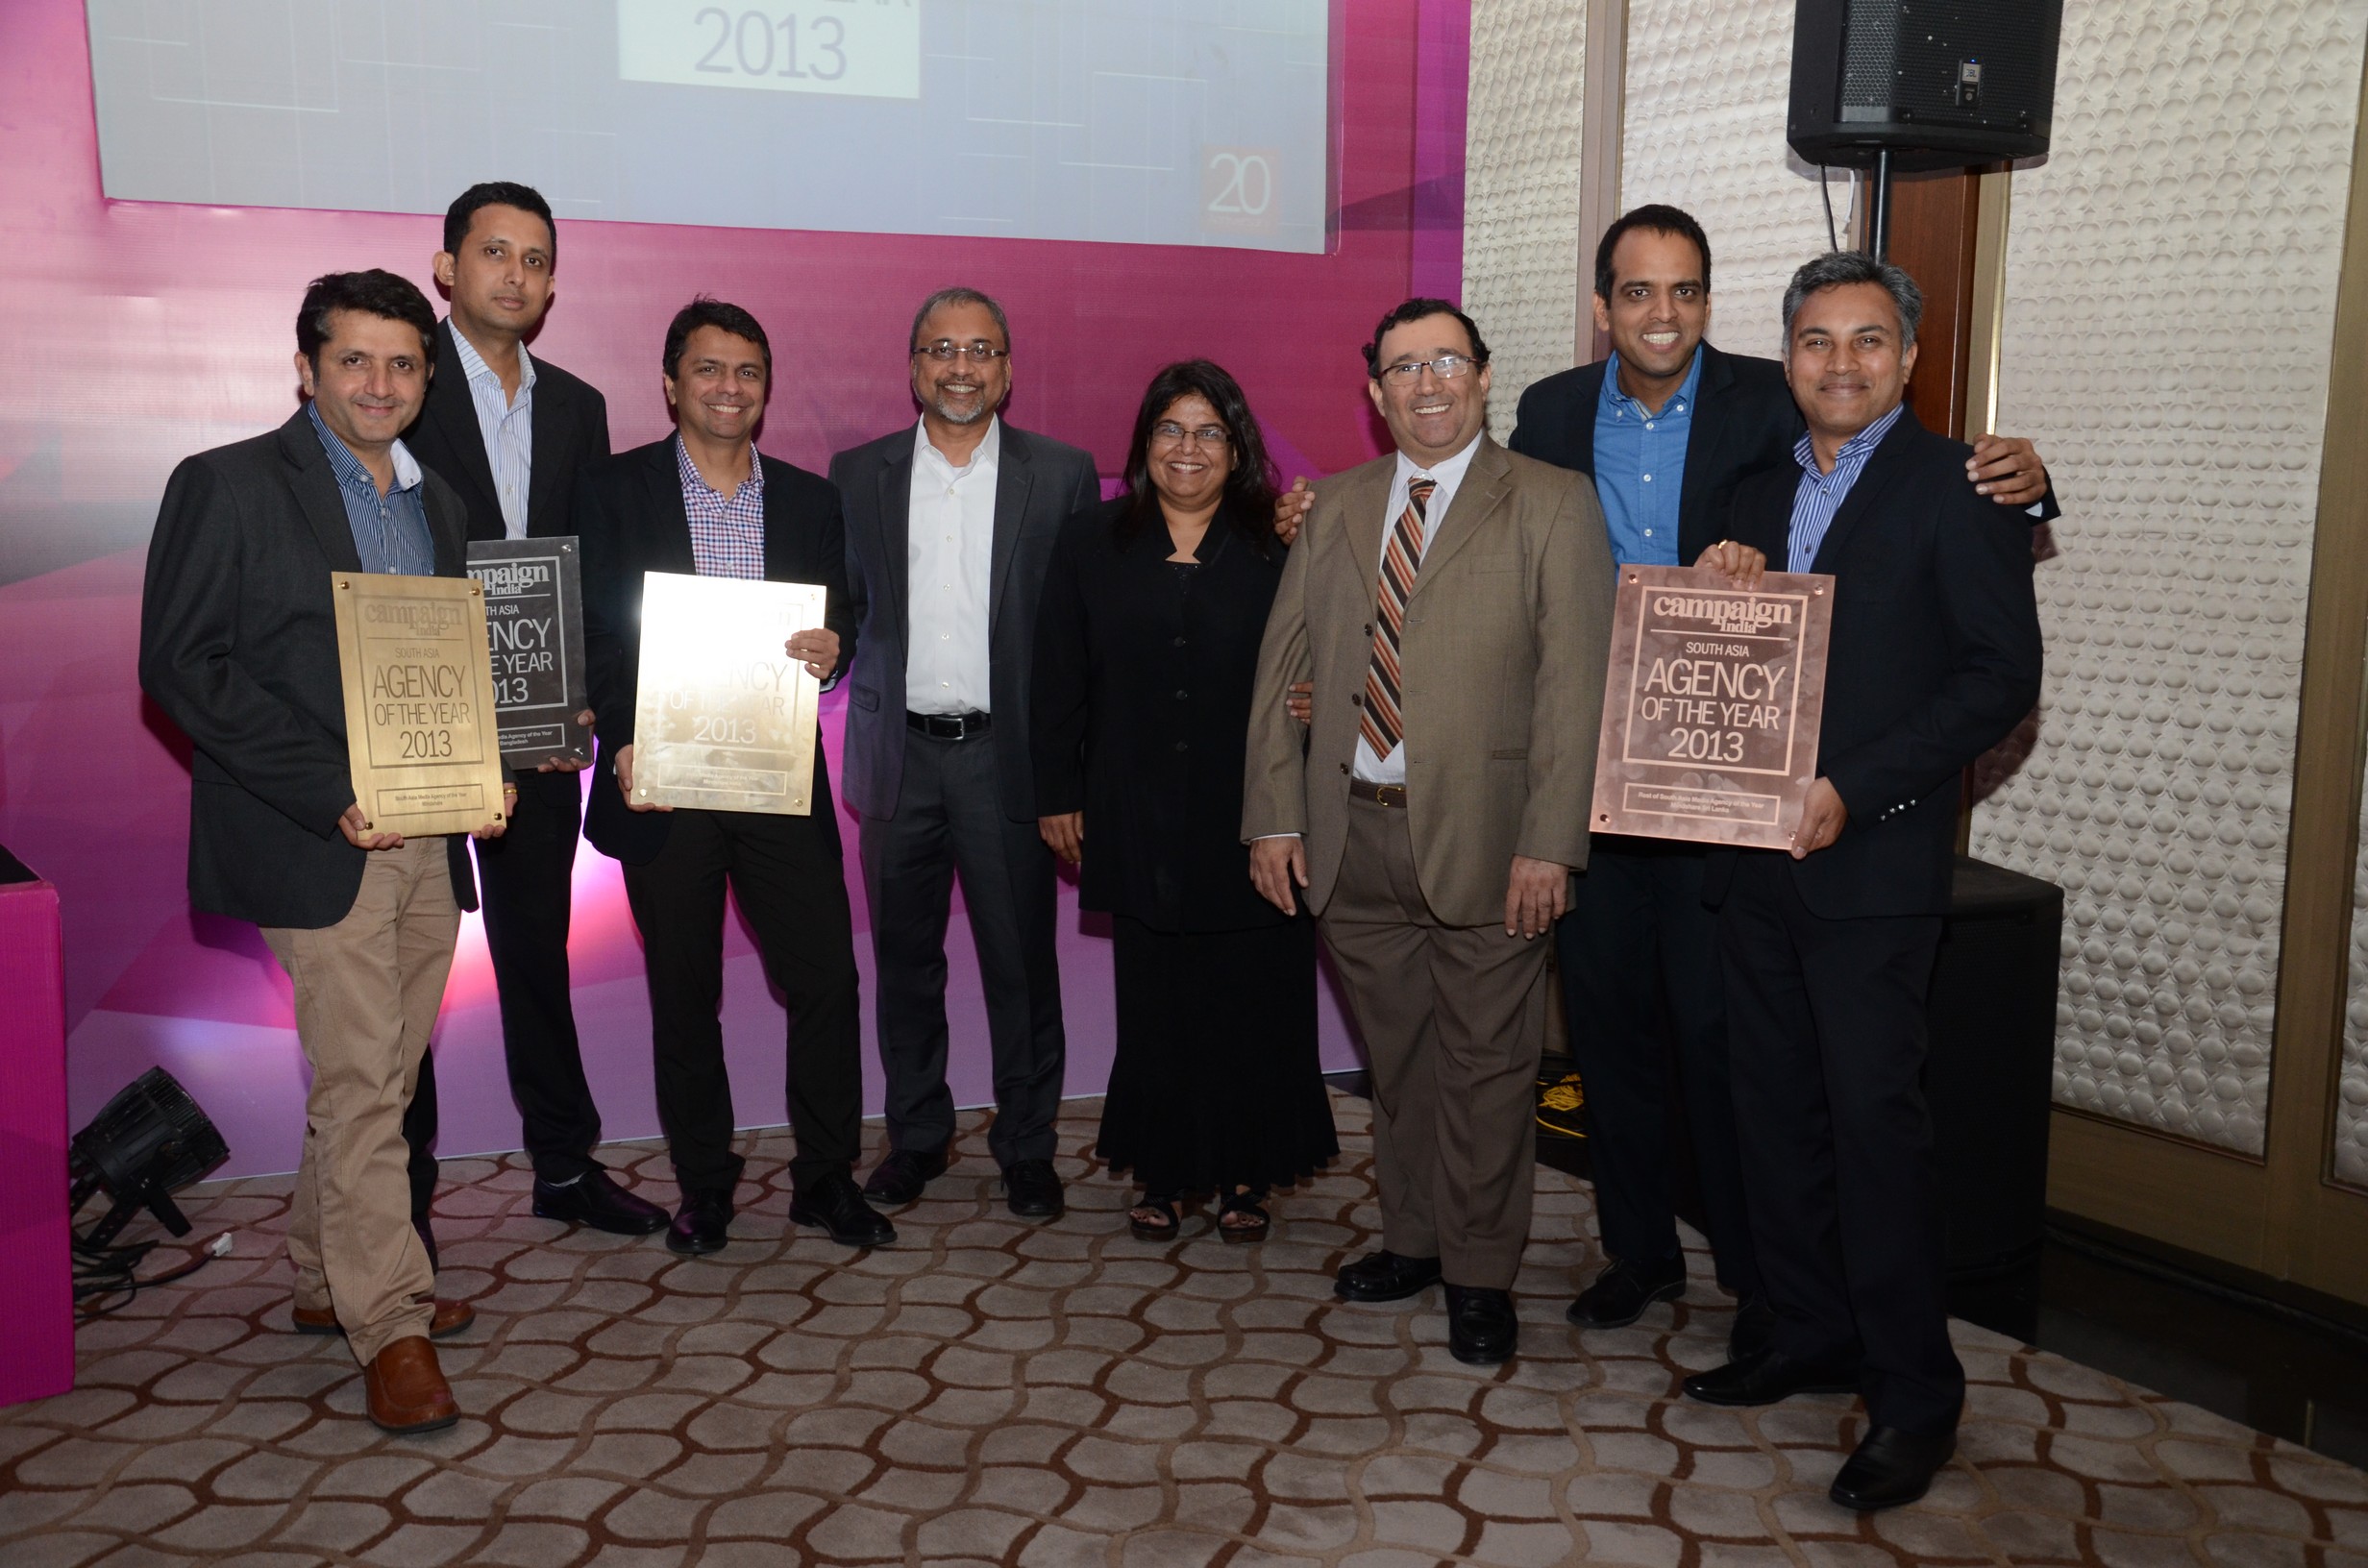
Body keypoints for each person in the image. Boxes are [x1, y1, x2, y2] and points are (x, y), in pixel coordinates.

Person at [1275, 206, 2059, 1355]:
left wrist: (2029, 481)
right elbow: (1463, 515)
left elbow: (1885, 486)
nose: (1661, 312)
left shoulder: (1775, 396)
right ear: (1603, 307)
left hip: (1715, 774)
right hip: (1575, 763)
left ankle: (1756, 1280)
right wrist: (1323, 513)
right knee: (1605, 1032)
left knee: (1719, 1032)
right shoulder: (1548, 410)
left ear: (1709, 303)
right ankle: (1637, 1250)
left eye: (1683, 290)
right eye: (1637, 291)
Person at [1680, 252, 2044, 1512]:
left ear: (1910, 357)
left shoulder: (1964, 487)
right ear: (1786, 357)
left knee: (1876, 1137)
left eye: (1868, 340)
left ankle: (1913, 1395)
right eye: (1817, 341)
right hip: (1750, 866)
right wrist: (1715, 590)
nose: (1841, 363)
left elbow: (1996, 678)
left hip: (1872, 870)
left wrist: (1856, 787)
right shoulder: (1751, 487)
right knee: (1772, 1115)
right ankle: (1806, 1331)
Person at [138, 270, 510, 1434]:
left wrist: (483, 765)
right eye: (354, 360)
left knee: (382, 1076)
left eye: (402, 363)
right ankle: (389, 1322)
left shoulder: (443, 505)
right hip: (318, 835)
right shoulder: (228, 484)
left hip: (428, 837)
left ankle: (321, 1271)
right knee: (361, 1084)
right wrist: (328, 789)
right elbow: (183, 666)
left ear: (426, 376)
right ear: (306, 369)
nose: (379, 384)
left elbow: (445, 671)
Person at [1241, 298, 1614, 1366]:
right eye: (1404, 368)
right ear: (1376, 393)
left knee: (1488, 1072)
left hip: (1494, 848)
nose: (1428, 383)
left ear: (1484, 376)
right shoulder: (1337, 506)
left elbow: (1575, 690)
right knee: (1399, 1066)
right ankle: (1413, 1239)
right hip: (1351, 840)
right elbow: (1283, 668)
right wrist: (1272, 818)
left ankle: (1481, 1273)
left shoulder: (1551, 502)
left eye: (1448, 361)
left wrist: (1551, 844)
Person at [576, 298, 891, 1256]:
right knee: (685, 994)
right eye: (708, 369)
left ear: (766, 389)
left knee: (827, 979)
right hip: (663, 780)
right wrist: (619, 736)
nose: (729, 387)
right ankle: (704, 1188)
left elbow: (842, 615)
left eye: (748, 372)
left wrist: (833, 650)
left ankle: (825, 1178)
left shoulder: (808, 499)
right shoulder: (612, 490)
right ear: (671, 385)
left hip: (774, 777)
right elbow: (591, 632)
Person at [395, 181, 664, 1252]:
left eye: (536, 259)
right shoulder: (400, 386)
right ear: (446, 268)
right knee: (408, 962)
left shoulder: (579, 406)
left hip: (543, 725)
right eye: (495, 252)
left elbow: (590, 569)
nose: (516, 275)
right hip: (420, 716)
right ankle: (398, 1197)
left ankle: (563, 1164)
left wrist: (589, 687)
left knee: (535, 953)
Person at [1031, 360, 1338, 1241]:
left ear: (1237, 447)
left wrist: (1319, 697)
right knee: (1158, 1001)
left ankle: (1246, 1174)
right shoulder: (1090, 539)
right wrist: (1057, 791)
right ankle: (1164, 1171)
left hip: (1257, 814)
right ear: (1144, 444)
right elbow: (1056, 674)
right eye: (1170, 429)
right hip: (1135, 809)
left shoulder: (1281, 540)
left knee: (1252, 998)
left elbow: (1335, 648)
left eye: (1210, 431)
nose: (1188, 448)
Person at [830, 288, 1100, 1220]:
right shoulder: (856, 473)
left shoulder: (1060, 474)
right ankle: (916, 1136)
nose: (960, 366)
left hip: (1006, 758)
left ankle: (1026, 1146)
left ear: (1007, 370)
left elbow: (1078, 632)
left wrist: (1072, 770)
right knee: (905, 965)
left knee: (1020, 965)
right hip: (896, 758)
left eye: (980, 350)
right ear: (913, 367)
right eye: (940, 349)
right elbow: (841, 608)